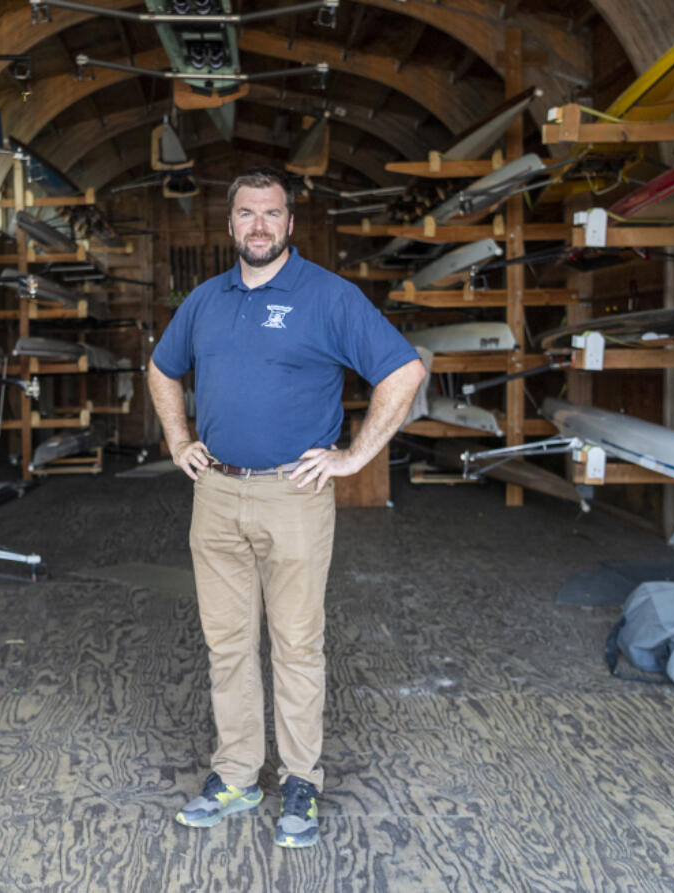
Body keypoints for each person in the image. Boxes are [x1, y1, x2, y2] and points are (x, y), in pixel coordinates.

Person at [147, 167, 425, 848]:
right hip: (215, 490)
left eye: (272, 214)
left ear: (290, 225)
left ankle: (301, 778)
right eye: (247, 214)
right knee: (228, 643)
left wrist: (355, 457)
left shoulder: (328, 297)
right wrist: (179, 438)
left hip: (293, 494)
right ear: (232, 223)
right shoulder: (206, 301)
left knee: (297, 644)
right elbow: (161, 368)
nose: (260, 226)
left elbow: (404, 370)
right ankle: (238, 773)